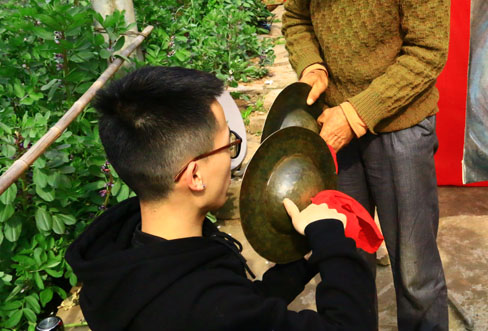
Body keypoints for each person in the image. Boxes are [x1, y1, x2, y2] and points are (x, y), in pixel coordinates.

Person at [65, 66, 376, 330]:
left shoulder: (120, 253)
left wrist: (301, 262)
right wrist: (332, 240)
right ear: (195, 175)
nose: (233, 157)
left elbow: (245, 307)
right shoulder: (204, 307)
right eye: (228, 144)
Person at [282, 0, 452, 329]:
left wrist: (356, 113)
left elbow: (427, 53)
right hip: (331, 127)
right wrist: (312, 66)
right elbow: (297, 19)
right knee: (344, 259)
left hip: (401, 130)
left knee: (414, 271)